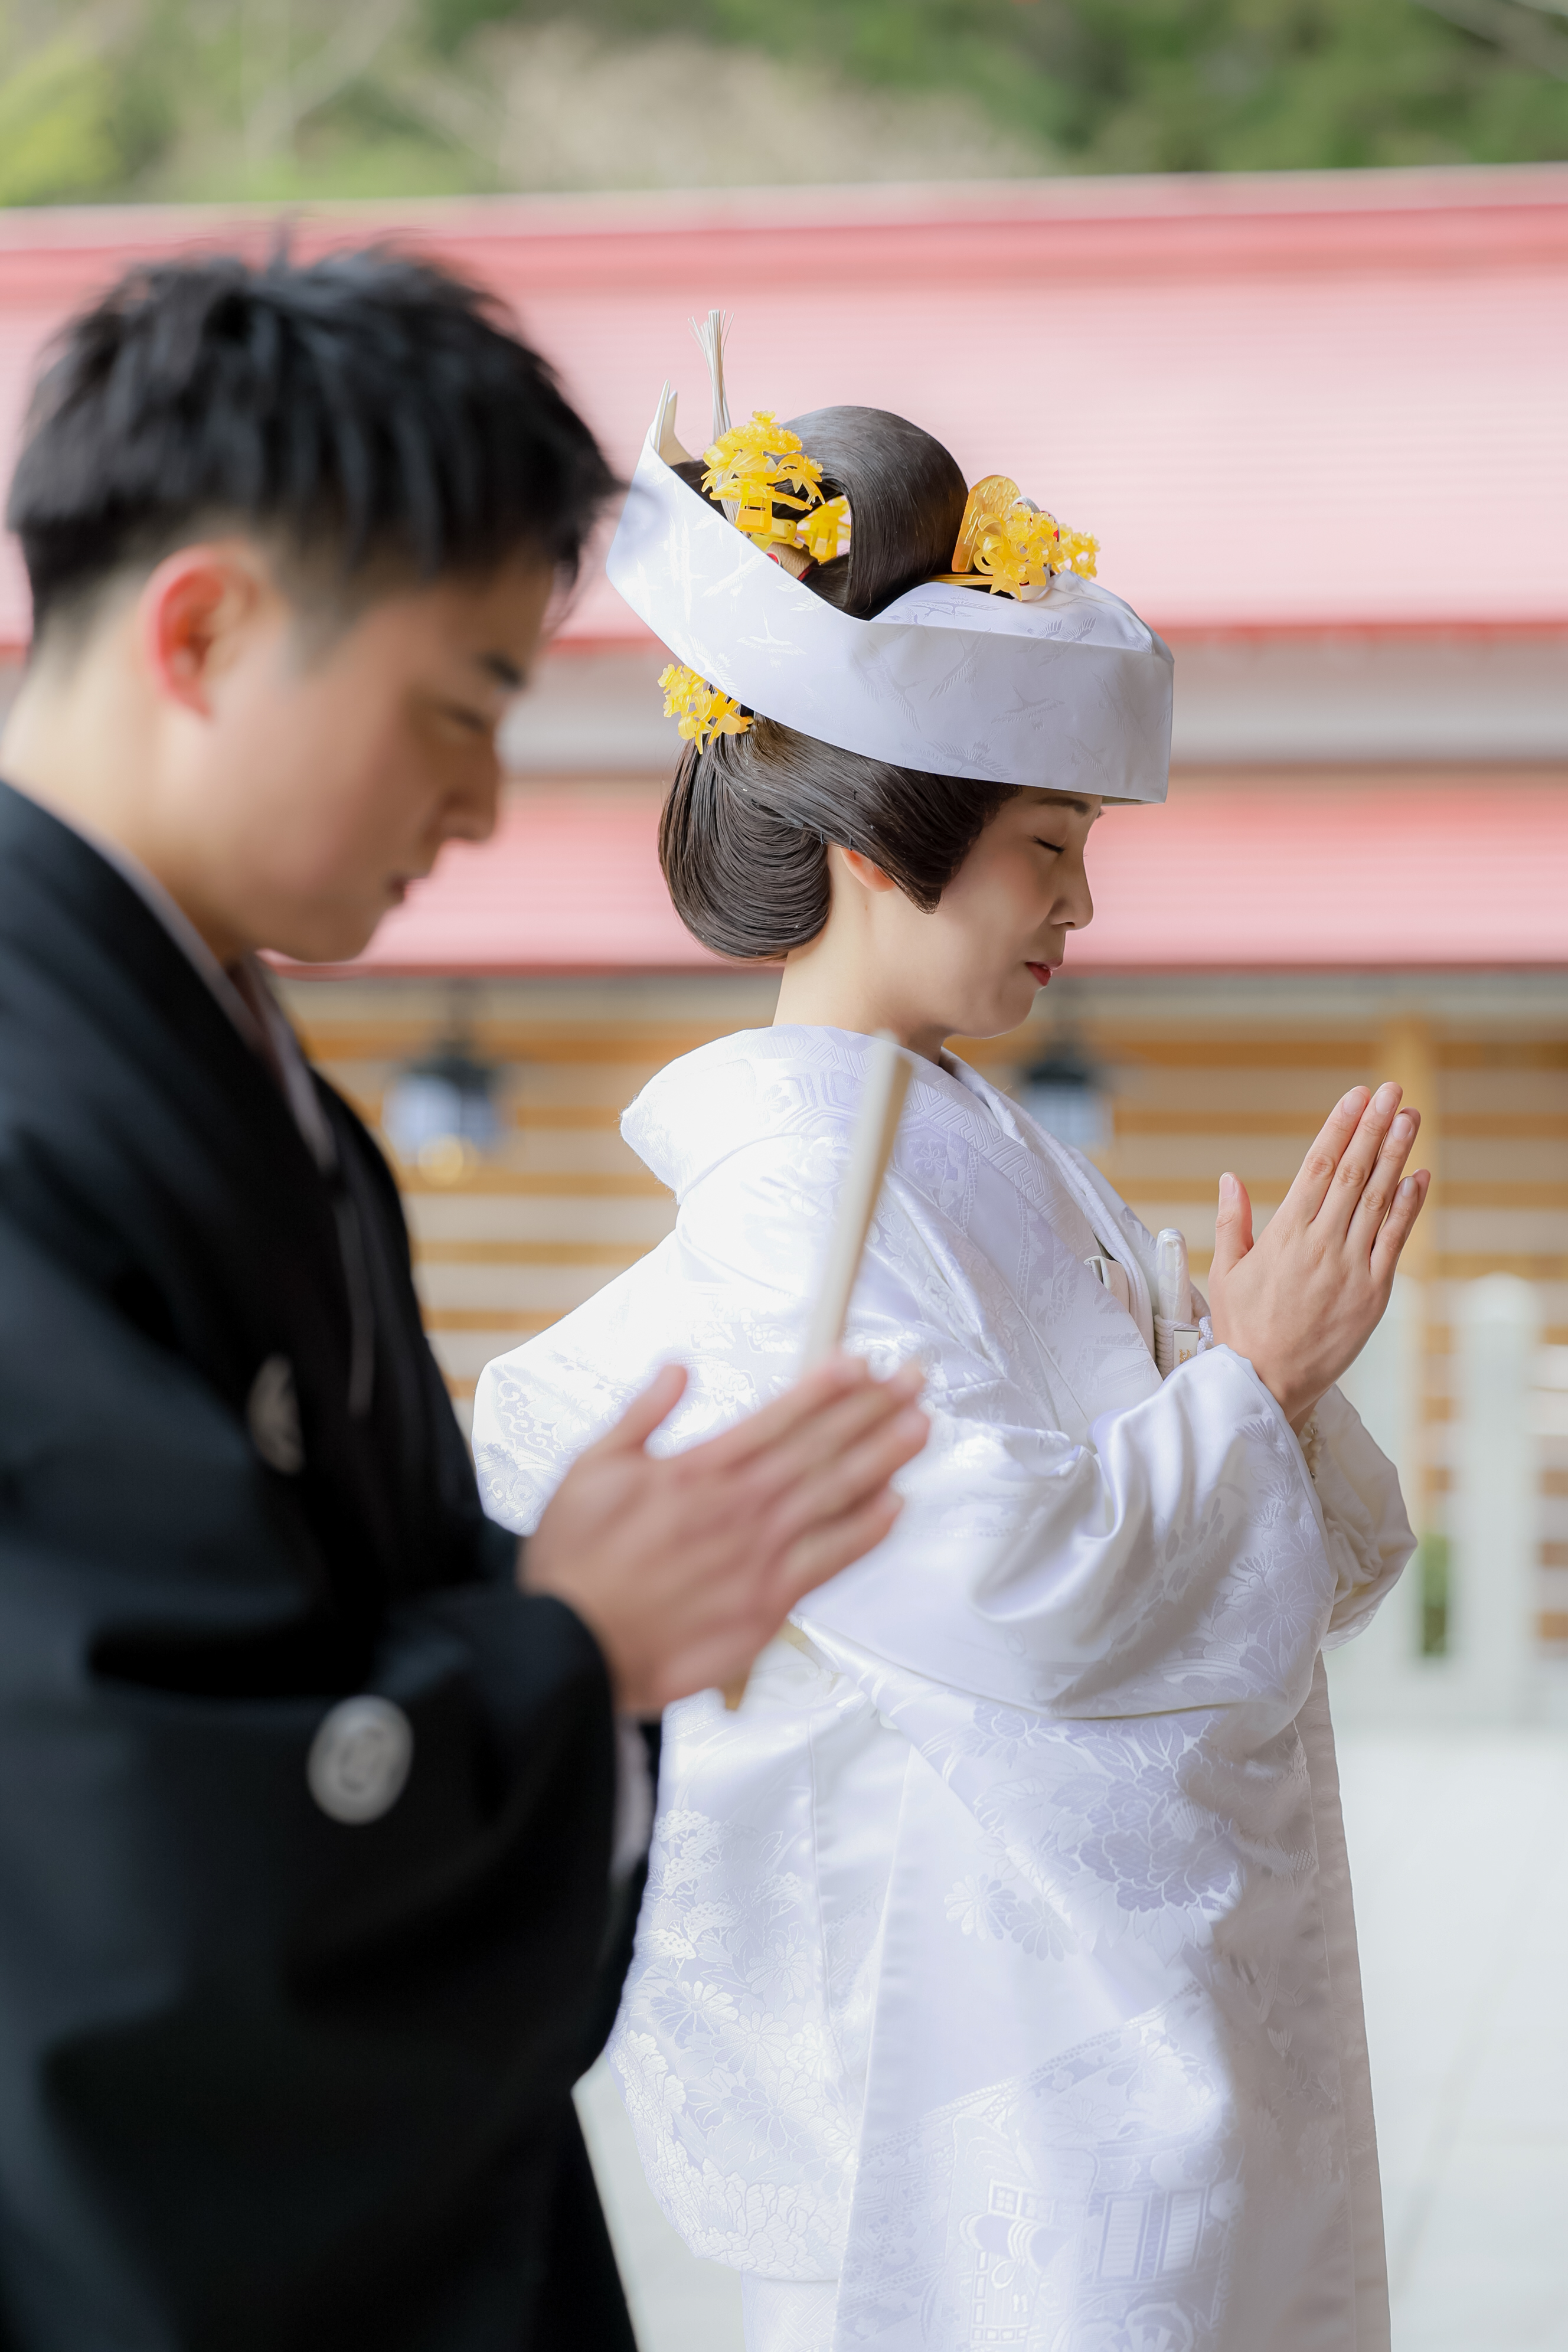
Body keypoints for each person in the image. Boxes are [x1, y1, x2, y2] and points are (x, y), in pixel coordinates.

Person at [0, 254, 930, 2352]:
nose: (486, 807)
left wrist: (571, 1616)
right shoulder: (35, 1114)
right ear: (206, 627)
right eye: (461, 706)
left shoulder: (225, 1066)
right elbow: (128, 1837)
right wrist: (570, 1645)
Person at [473, 381, 1429, 2351]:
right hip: (980, 2044)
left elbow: (1209, 1548)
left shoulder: (977, 1151)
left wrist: (1267, 1386)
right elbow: (987, 1583)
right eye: (1046, 845)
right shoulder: (789, 1196)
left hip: (1099, 2014)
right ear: (882, 844)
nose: (1080, 901)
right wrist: (1241, 1388)